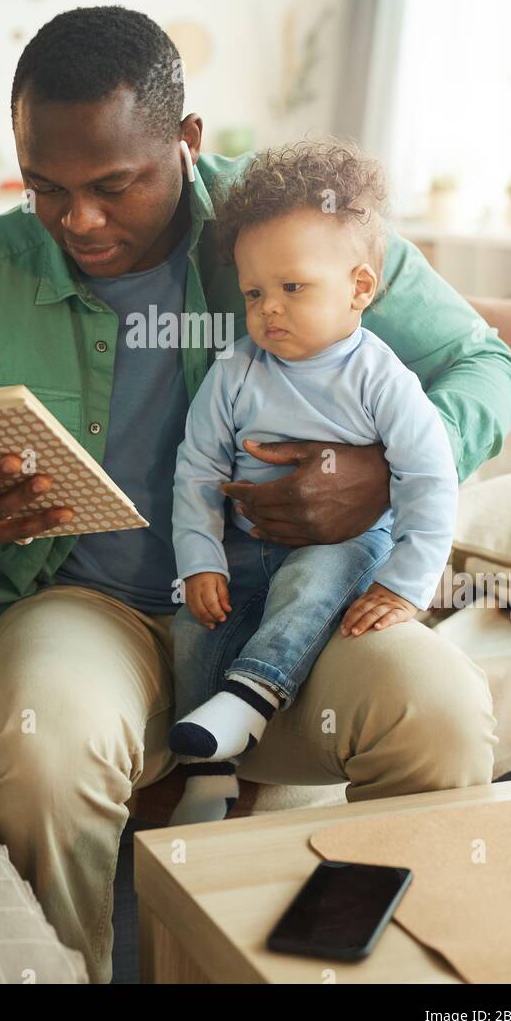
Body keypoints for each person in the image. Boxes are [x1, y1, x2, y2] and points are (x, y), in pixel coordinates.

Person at [0, 6, 511, 984]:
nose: (79, 220)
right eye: (46, 188)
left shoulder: (300, 229)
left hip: (284, 603)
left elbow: (481, 362)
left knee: (440, 713)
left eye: (114, 185)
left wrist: (377, 473)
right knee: (45, 752)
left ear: (187, 140)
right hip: (79, 606)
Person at [169, 140, 459, 824]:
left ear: (360, 288)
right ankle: (207, 775)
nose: (269, 309)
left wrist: (404, 584)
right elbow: (198, 469)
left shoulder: (379, 379)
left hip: (343, 544)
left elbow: (429, 478)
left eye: (292, 288)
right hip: (242, 546)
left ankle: (250, 699)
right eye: (254, 293)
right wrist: (202, 561)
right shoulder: (236, 371)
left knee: (310, 583)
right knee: (192, 627)